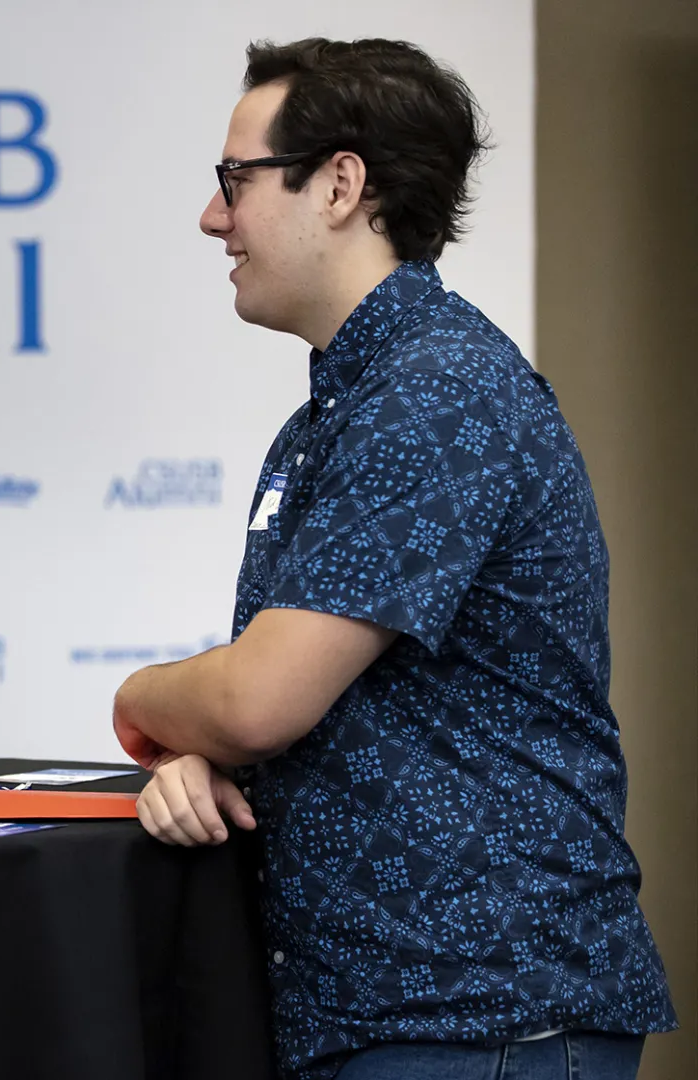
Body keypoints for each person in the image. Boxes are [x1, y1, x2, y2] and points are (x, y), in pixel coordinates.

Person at [111, 38, 676, 1080]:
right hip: (391, 1010)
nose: (212, 218)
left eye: (236, 179)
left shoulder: (436, 393)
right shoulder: (342, 412)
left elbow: (261, 700)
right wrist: (200, 755)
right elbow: (305, 710)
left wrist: (142, 701)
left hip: (478, 1014)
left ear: (340, 185)